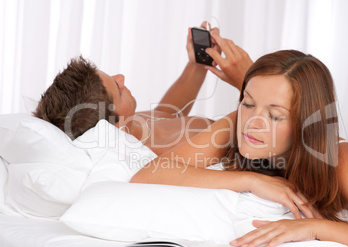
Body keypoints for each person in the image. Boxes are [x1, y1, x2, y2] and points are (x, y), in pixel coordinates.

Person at [131, 30, 348, 247]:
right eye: (248, 103)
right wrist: (251, 180)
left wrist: (316, 228)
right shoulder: (236, 122)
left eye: (275, 116)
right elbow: (149, 174)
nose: (253, 123)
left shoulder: (341, 160)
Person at [34, 22, 245, 156]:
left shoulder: (132, 124)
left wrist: (197, 65)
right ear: (115, 126)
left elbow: (168, 113)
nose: (121, 77)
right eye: (118, 88)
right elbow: (251, 128)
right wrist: (246, 80)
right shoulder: (171, 150)